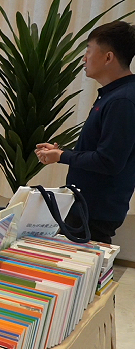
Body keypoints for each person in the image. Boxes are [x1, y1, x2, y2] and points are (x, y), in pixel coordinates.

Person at [36, 21, 135, 244]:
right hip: (87, 205)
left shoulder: (122, 100)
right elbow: (100, 149)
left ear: (108, 57)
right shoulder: (115, 95)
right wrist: (62, 152)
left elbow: (109, 161)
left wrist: (62, 156)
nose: (84, 58)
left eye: (88, 51)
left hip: (96, 209)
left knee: (83, 263)